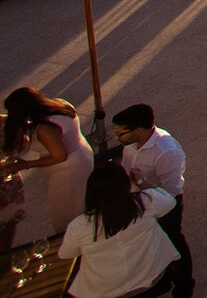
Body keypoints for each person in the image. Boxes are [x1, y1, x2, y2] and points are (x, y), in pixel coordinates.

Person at [56, 162, 179, 298]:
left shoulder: (79, 225)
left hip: (105, 293)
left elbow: (65, 254)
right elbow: (170, 201)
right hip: (152, 278)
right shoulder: (145, 202)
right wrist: (141, 181)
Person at [111, 104, 191, 298]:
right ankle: (164, 281)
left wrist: (140, 181)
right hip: (140, 201)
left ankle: (185, 286)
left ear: (138, 130)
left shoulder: (167, 151)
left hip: (165, 204)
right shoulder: (130, 145)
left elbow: (170, 194)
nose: (118, 138)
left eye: (121, 133)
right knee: (154, 244)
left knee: (174, 244)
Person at [1, 87, 92, 234]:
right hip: (83, 155)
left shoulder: (45, 128)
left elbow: (60, 155)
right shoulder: (60, 104)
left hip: (68, 171)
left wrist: (26, 164)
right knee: (80, 202)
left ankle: (71, 240)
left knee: (64, 211)